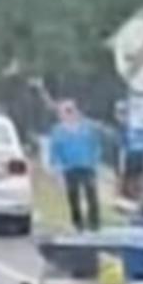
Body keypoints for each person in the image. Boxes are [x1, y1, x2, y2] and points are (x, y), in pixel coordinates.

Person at [47, 99, 103, 232]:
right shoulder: (58, 131)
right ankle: (78, 223)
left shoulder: (87, 127)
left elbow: (96, 145)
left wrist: (95, 161)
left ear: (76, 111)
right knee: (73, 195)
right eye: (64, 111)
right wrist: (55, 167)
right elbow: (54, 150)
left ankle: (94, 223)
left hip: (87, 166)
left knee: (91, 193)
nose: (68, 114)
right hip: (69, 168)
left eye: (70, 110)